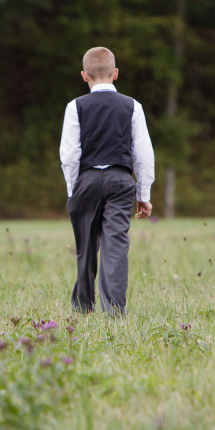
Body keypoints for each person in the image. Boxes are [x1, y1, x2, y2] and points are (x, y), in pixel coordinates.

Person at [59, 48, 155, 315]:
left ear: (83, 75)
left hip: (86, 180)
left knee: (86, 246)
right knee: (115, 245)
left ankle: (83, 307)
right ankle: (114, 310)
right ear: (115, 73)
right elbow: (143, 154)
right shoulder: (132, 106)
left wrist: (73, 190)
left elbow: (69, 155)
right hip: (121, 181)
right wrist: (143, 194)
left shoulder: (75, 107)